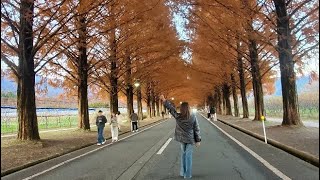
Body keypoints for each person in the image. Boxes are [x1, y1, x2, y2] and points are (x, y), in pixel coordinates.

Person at [160, 95, 201, 179]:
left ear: (181, 109)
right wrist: (198, 140)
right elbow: (196, 129)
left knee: (183, 155)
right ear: (189, 108)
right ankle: (188, 174)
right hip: (190, 139)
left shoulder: (178, 116)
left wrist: (164, 100)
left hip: (182, 138)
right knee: (188, 156)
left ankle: (182, 172)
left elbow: (171, 109)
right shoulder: (193, 117)